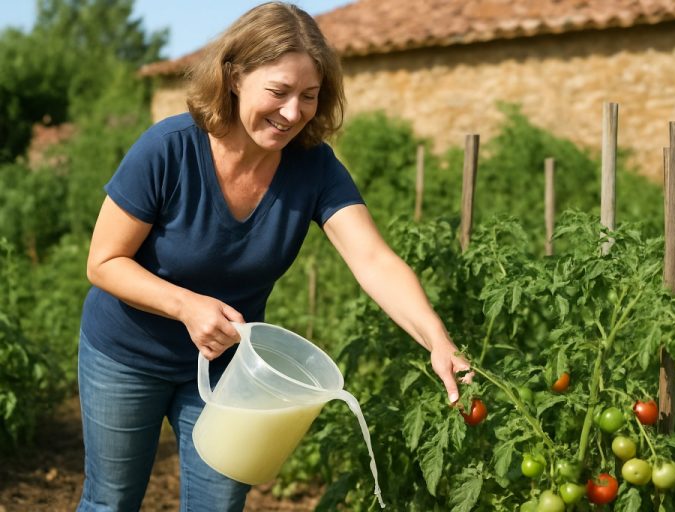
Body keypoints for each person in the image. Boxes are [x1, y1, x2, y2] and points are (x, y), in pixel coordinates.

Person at [77, 2, 470, 511]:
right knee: (112, 502)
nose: (292, 113)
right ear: (235, 76)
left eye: (309, 97)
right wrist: (187, 306)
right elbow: (103, 262)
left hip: (230, 367)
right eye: (279, 92)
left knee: (218, 505)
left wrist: (437, 340)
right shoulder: (169, 149)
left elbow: (373, 259)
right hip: (128, 356)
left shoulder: (313, 168)